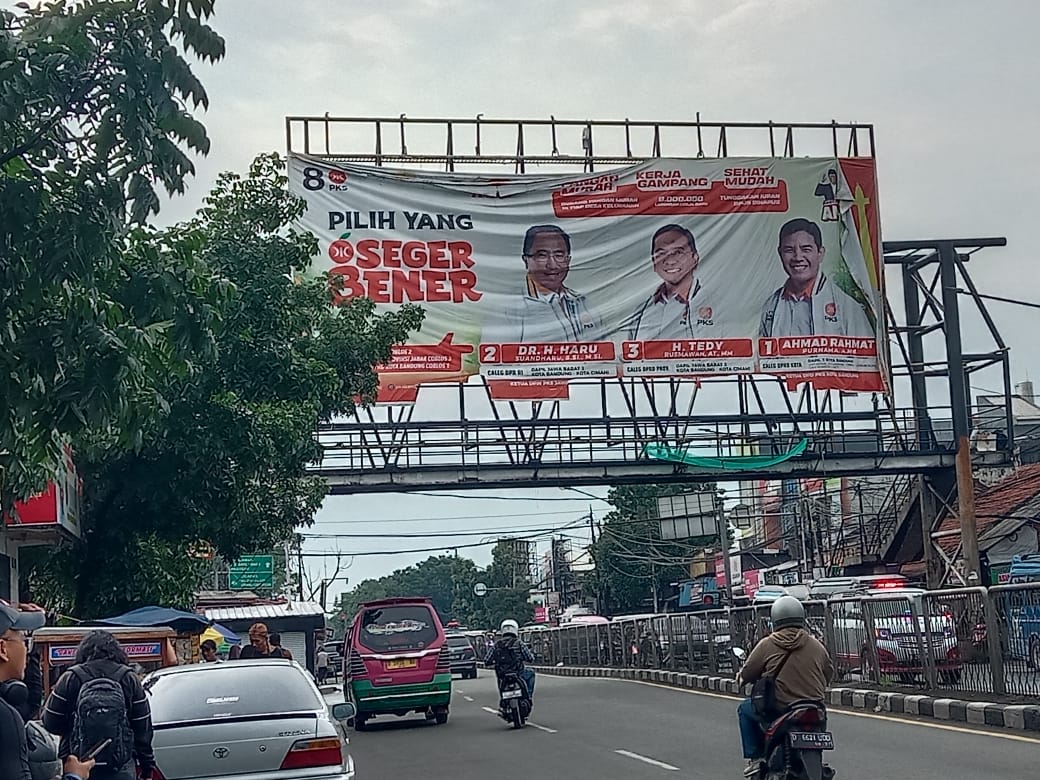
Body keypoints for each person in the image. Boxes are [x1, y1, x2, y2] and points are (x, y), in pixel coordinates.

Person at [735, 596, 833, 778]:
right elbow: (829, 673)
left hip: (780, 709)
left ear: (775, 619)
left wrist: (741, 678)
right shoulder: (816, 645)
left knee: (743, 709)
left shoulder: (767, 644)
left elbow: (747, 673)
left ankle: (755, 759)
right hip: (814, 708)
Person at [42, 629, 155, 780]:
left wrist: (76, 728)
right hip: (121, 765)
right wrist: (147, 767)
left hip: (78, 764)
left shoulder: (71, 678)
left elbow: (50, 722)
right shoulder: (129, 679)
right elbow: (143, 729)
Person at [759, 218, 874, 340]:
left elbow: (865, 356)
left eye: (806, 249)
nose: (798, 257)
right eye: (789, 250)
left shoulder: (847, 307)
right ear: (780, 253)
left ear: (820, 253)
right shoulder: (770, 306)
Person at [485, 225, 602, 343]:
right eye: (542, 255)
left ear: (568, 260)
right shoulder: (507, 308)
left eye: (559, 255)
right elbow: (495, 358)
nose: (552, 265)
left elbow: (606, 349)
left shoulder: (583, 302)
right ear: (526, 260)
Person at [628, 224, 724, 340]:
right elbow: (632, 353)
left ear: (695, 258)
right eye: (661, 254)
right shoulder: (642, 311)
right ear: (653, 262)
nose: (670, 260)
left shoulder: (718, 303)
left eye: (678, 252)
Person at [484, 619, 536, 711]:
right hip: (518, 673)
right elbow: (530, 658)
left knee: (500, 683)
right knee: (531, 673)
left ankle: (503, 702)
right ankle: (528, 697)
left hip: (502, 675)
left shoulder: (497, 645)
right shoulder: (519, 643)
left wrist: (493, 662)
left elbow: (487, 660)